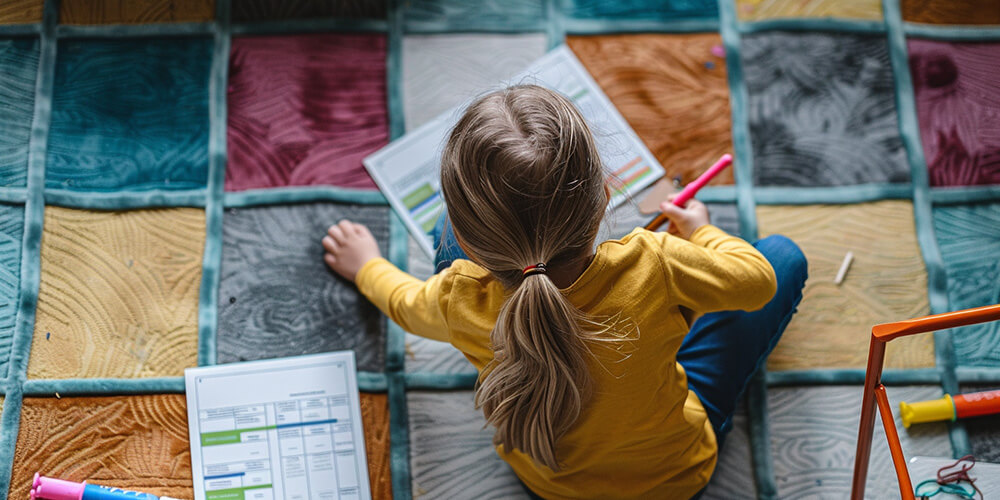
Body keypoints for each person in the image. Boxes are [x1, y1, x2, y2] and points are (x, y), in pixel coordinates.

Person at [322, 85, 807, 499]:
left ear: (469, 239)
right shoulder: (655, 261)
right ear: (601, 202)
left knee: (437, 234)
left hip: (550, 484)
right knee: (783, 256)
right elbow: (757, 279)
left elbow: (404, 305)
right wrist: (702, 232)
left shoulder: (458, 296)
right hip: (676, 479)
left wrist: (367, 267)